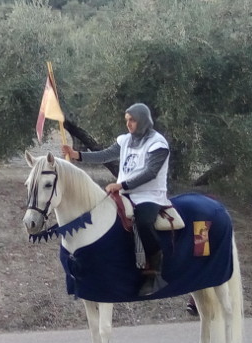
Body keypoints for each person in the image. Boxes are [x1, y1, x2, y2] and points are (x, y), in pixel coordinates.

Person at [61, 103, 170, 297]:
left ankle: (155, 270)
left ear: (143, 120)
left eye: (132, 120)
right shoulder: (126, 140)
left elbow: (150, 173)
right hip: (123, 193)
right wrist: (77, 155)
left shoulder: (158, 143)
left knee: (144, 221)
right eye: (126, 120)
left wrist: (122, 185)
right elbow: (105, 155)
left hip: (148, 194)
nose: (128, 124)